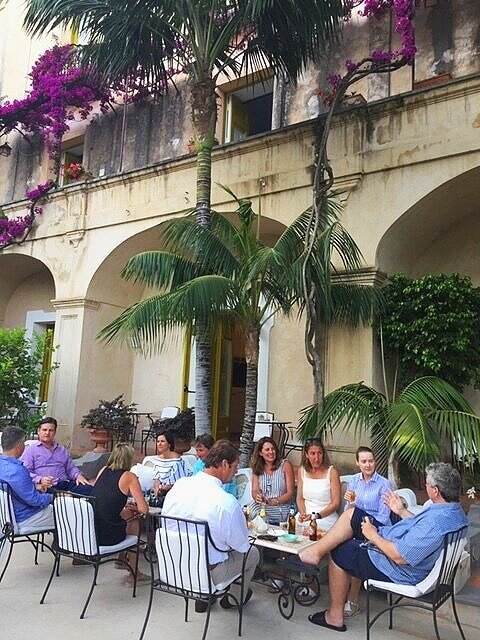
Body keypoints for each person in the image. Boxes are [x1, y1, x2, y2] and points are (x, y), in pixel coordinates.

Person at [298, 462, 468, 632]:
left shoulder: (435, 523)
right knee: (353, 514)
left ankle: (334, 616)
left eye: (427, 484)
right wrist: (401, 512)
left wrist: (373, 536)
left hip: (398, 569)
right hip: (395, 543)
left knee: (339, 551)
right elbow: (420, 531)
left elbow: (399, 557)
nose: (425, 486)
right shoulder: (453, 511)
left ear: (436, 490)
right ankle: (316, 551)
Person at [162, 439, 259, 612]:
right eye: (235, 466)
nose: (236, 471)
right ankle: (234, 598)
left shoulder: (179, 486)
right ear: (224, 464)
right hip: (206, 573)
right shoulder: (225, 502)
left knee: (210, 542)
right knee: (252, 553)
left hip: (172, 566)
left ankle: (204, 596)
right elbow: (241, 545)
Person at [343, 445, 392, 617]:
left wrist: (364, 525)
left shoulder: (384, 484)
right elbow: (348, 510)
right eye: (363, 461)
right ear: (357, 462)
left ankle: (353, 601)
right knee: (340, 545)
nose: (368, 465)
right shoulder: (354, 480)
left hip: (376, 527)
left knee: (356, 549)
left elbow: (384, 517)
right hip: (356, 523)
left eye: (370, 461)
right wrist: (349, 502)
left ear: (375, 462)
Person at [91, 442, 149, 584]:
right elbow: (144, 509)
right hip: (108, 536)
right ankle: (135, 572)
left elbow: (105, 497)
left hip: (94, 530)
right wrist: (136, 508)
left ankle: (122, 559)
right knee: (134, 520)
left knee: (127, 514)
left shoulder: (103, 470)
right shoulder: (129, 476)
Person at [0, 426, 54, 532]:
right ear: (19, 446)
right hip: (21, 518)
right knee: (66, 513)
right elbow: (34, 501)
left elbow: (13, 488)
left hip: (4, 517)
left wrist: (34, 486)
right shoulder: (18, 470)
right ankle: (65, 546)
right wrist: (54, 497)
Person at [20, 417, 92, 495]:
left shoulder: (62, 450)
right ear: (38, 431)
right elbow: (25, 471)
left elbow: (70, 468)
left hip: (64, 484)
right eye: (44, 430)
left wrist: (78, 476)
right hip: (44, 486)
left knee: (89, 490)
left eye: (51, 430)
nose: (47, 433)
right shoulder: (31, 450)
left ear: (55, 432)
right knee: (59, 497)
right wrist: (40, 479)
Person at [296, 439, 341, 531]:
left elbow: (336, 503)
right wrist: (303, 514)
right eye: (312, 453)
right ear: (306, 455)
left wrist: (316, 516)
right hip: (306, 516)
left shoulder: (332, 472)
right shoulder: (302, 470)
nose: (316, 458)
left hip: (325, 517)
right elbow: (300, 498)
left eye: (319, 453)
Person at [249, 437, 295, 524]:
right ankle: (263, 529)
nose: (271, 452)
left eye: (273, 449)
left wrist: (275, 501)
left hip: (281, 506)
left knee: (260, 517)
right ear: (260, 453)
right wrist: (258, 497)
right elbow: (254, 490)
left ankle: (264, 527)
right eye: (267, 450)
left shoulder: (285, 465)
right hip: (264, 506)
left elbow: (290, 493)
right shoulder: (257, 468)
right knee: (252, 508)